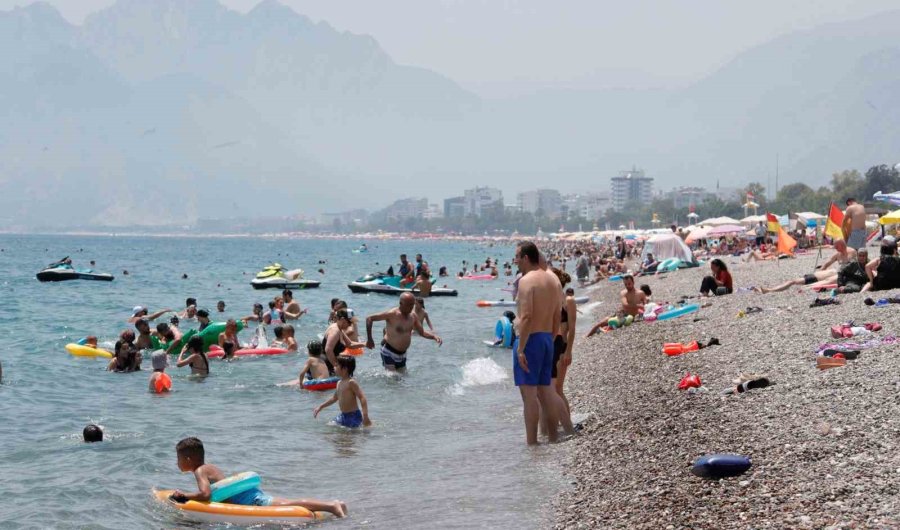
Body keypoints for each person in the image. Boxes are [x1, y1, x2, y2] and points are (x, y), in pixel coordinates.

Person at [169, 437, 346, 517]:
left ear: (188, 459)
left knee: (288, 503)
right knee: (286, 502)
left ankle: (331, 505)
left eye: (178, 459)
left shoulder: (200, 471)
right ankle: (330, 506)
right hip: (247, 496)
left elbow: (205, 494)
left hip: (249, 500)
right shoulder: (209, 467)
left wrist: (183, 495)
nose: (177, 463)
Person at [513, 241, 574, 444]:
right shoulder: (552, 280)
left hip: (530, 339)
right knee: (547, 391)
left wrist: (521, 348)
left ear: (526, 258)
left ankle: (532, 443)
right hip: (548, 337)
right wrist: (552, 335)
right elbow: (557, 312)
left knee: (529, 396)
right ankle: (555, 437)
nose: (515, 261)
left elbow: (527, 316)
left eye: (517, 257)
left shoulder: (526, 281)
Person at [364, 292, 443, 372]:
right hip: (388, 351)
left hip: (402, 354)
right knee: (393, 379)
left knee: (403, 378)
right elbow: (369, 318)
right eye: (408, 305)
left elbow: (421, 332)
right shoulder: (392, 314)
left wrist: (433, 336)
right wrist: (369, 339)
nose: (411, 307)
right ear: (401, 303)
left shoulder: (413, 316)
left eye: (412, 305)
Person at [313, 356, 372, 428]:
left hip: (353, 415)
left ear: (344, 369)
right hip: (343, 415)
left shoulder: (351, 382)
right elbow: (334, 398)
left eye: (337, 365)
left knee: (352, 435)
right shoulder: (339, 383)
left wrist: (365, 415)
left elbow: (362, 397)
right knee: (329, 426)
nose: (334, 367)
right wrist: (321, 406)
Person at [551, 270, 577, 419]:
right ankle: (558, 421)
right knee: (550, 388)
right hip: (551, 347)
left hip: (562, 348)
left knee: (558, 388)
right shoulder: (552, 299)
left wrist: (569, 352)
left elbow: (572, 328)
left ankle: (567, 422)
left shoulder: (569, 300)